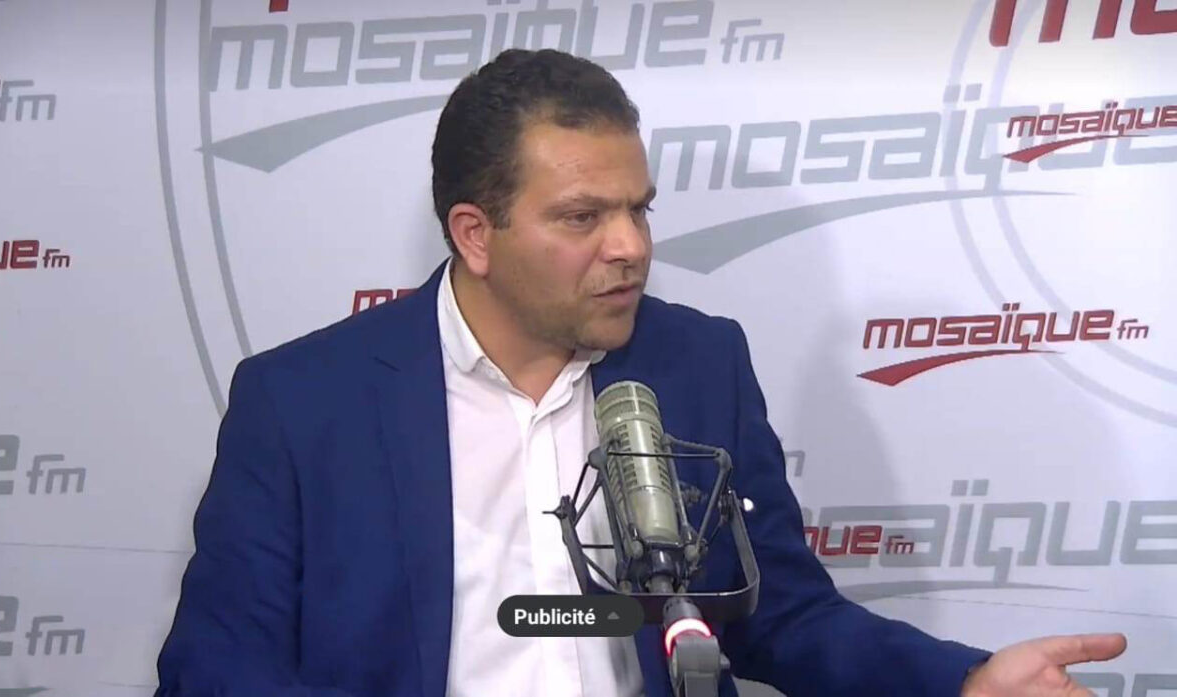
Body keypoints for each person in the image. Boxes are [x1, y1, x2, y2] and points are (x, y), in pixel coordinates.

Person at [153, 49, 1126, 697]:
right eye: (583, 217)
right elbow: (215, 666)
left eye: (639, 209)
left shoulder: (698, 363)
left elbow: (780, 613)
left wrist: (960, 681)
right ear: (475, 235)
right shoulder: (303, 403)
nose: (630, 246)